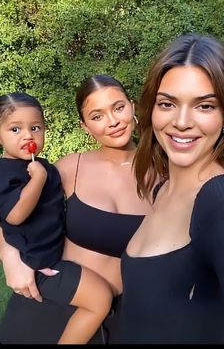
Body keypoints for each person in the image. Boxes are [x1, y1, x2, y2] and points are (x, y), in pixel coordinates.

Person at [0, 75, 152, 344]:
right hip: (49, 305)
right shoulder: (70, 168)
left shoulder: (164, 173)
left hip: (125, 322)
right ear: (85, 126)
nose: (113, 121)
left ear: (132, 106)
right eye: (97, 116)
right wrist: (10, 257)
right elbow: (11, 207)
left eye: (118, 108)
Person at [116, 33, 224, 344]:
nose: (181, 121)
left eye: (205, 106)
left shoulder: (221, 200)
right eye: (167, 103)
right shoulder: (162, 189)